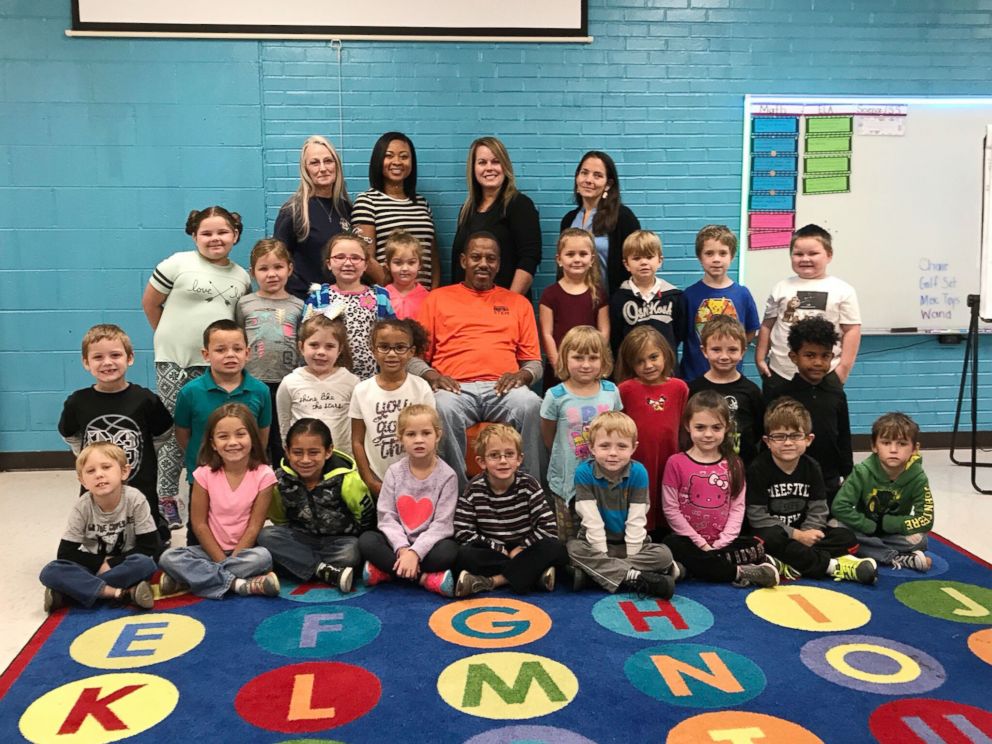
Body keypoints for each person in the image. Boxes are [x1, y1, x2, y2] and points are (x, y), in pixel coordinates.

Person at [142, 206, 251, 528]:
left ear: (235, 235)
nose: (214, 238)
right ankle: (166, 498)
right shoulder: (178, 263)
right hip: (175, 362)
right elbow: (150, 303)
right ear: (194, 235)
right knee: (178, 432)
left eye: (222, 232)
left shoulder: (241, 277)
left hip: (215, 366)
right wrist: (170, 342)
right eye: (206, 233)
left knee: (212, 430)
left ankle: (208, 492)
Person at [413, 231, 545, 492]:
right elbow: (414, 360)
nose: (483, 263)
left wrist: (522, 376)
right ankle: (458, 495)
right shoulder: (437, 299)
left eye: (490, 258)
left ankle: (531, 492)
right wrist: (434, 377)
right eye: (476, 257)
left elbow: (534, 363)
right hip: (455, 388)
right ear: (463, 261)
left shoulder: (518, 303)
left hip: (503, 388)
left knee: (531, 404)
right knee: (440, 407)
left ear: (498, 264)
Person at [58, 324, 173, 543]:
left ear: (130, 358)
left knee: (149, 548)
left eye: (116, 355)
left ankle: (157, 525)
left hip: (140, 483)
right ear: (86, 363)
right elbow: (71, 435)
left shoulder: (145, 399)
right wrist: (86, 457)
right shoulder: (78, 402)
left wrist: (145, 452)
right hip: (99, 490)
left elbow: (163, 432)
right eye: (98, 357)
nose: (107, 362)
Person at [746, 398, 877, 584]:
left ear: (808, 439)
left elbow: (819, 508)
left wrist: (808, 532)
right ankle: (832, 566)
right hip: (779, 535)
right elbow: (757, 516)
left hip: (805, 534)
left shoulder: (812, 467)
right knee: (766, 539)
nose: (788, 443)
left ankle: (790, 563)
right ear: (767, 441)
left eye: (795, 436)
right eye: (779, 436)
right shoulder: (758, 468)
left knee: (845, 537)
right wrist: (796, 535)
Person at [158, 404, 281, 599]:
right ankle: (238, 584)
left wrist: (233, 558)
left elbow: (254, 526)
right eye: (223, 436)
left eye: (240, 434)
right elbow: (199, 525)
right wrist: (220, 559)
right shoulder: (204, 474)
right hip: (209, 550)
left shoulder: (264, 475)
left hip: (245, 553)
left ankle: (187, 580)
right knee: (168, 557)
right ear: (213, 443)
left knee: (263, 557)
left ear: (252, 438)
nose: (233, 442)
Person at [661, 391, 779, 587]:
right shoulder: (676, 463)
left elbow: (737, 507)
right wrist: (700, 543)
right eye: (700, 427)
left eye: (716, 428)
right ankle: (739, 572)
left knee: (755, 545)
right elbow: (671, 509)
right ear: (687, 426)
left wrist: (721, 543)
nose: (708, 434)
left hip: (724, 543)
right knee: (670, 544)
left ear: (726, 428)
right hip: (689, 542)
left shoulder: (734, 464)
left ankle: (689, 569)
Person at [566, 412, 679, 597]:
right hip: (596, 544)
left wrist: (627, 556)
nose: (613, 453)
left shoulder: (638, 472)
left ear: (633, 448)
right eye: (604, 446)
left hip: (631, 544)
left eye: (621, 446)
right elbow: (591, 520)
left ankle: (595, 576)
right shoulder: (584, 473)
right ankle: (638, 577)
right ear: (592, 448)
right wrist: (602, 553)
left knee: (664, 554)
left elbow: (637, 518)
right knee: (572, 549)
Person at [39, 443, 159, 612]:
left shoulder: (135, 499)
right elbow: (65, 553)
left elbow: (149, 546)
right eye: (90, 471)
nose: (99, 475)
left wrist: (111, 563)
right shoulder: (83, 506)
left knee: (146, 564)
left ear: (124, 472)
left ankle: (71, 593)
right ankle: (120, 593)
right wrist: (99, 563)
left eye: (106, 467)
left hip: (124, 562)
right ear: (83, 481)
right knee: (50, 571)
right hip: (92, 565)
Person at [259, 418, 374, 593]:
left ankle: (300, 566)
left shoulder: (347, 479)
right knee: (266, 535)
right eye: (297, 452)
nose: (305, 460)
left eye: (313, 452)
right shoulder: (279, 481)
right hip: (301, 539)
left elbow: (365, 516)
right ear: (287, 451)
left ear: (328, 451)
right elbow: (279, 518)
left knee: (352, 552)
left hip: (339, 542)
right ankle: (324, 570)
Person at [453, 424, 567, 596]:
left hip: (526, 547)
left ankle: (493, 581)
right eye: (494, 456)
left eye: (509, 454)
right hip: (493, 550)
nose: (503, 461)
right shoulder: (473, 489)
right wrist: (497, 548)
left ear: (519, 459)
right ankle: (534, 574)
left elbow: (549, 527)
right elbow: (462, 531)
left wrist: (522, 548)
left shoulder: (529, 485)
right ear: (481, 462)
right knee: (463, 555)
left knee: (556, 548)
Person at [358, 405, 460, 596]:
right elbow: (387, 517)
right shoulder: (394, 473)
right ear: (400, 438)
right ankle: (424, 578)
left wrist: (416, 552)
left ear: (437, 435)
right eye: (411, 434)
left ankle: (387, 571)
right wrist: (404, 550)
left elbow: (442, 525)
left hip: (430, 547)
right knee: (367, 541)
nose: (419, 440)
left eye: (426, 433)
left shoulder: (448, 476)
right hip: (397, 544)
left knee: (450, 551)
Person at [754, 223, 861, 398]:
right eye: (798, 254)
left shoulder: (843, 290)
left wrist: (843, 369)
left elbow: (852, 330)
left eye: (813, 253)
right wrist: (759, 359)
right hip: (781, 372)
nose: (805, 259)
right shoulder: (781, 287)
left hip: (824, 375)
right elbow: (767, 325)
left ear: (829, 255)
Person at [173, 320, 272, 504]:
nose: (230, 355)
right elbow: (183, 435)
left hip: (244, 475)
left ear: (247, 353)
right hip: (203, 476)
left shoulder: (261, 391)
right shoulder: (190, 392)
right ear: (206, 354)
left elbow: (262, 435)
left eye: (237, 349)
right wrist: (206, 455)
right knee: (199, 529)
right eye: (220, 350)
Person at [540, 326, 621, 541]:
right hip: (567, 476)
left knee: (600, 530)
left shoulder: (611, 392)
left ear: (603, 360)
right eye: (578, 357)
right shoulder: (555, 395)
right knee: (569, 534)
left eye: (593, 358)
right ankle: (572, 567)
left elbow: (619, 429)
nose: (586, 364)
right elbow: (549, 436)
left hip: (604, 476)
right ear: (565, 358)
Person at [832, 412, 935, 571]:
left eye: (902, 444)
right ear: (874, 446)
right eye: (886, 443)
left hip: (892, 533)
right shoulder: (862, 472)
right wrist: (868, 525)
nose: (893, 450)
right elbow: (839, 507)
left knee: (920, 541)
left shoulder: (918, 477)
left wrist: (887, 524)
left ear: (915, 448)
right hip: (863, 529)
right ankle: (896, 557)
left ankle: (867, 550)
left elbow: (926, 518)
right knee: (833, 527)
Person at [236, 238, 305, 469]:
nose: (272, 274)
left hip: (285, 382)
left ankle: (281, 485)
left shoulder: (298, 305)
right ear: (253, 272)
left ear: (290, 268)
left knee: (280, 437)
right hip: (252, 382)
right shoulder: (244, 304)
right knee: (254, 437)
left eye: (278, 267)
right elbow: (238, 339)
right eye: (263, 268)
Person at [768, 316, 852, 504]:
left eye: (825, 356)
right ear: (794, 357)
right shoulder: (780, 395)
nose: (818, 362)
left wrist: (848, 474)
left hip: (829, 478)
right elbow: (768, 437)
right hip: (791, 479)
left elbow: (844, 437)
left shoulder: (836, 394)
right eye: (810, 355)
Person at [615, 326, 688, 535]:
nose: (648, 365)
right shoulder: (625, 389)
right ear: (630, 363)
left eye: (653, 357)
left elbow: (683, 428)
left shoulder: (679, 388)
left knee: (668, 509)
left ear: (665, 353)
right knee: (640, 510)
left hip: (669, 461)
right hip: (638, 462)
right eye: (639, 361)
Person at [349, 318, 435, 496]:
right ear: (373, 350)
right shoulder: (361, 391)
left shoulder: (421, 388)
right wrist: (369, 480)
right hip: (376, 481)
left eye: (400, 347)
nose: (392, 354)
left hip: (416, 480)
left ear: (411, 352)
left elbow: (432, 436)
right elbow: (357, 441)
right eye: (384, 346)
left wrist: (422, 476)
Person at [451, 137, 541, 295]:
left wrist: (510, 304)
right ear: (473, 168)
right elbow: (458, 264)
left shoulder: (519, 205)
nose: (489, 168)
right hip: (468, 307)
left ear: (505, 165)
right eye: (482, 162)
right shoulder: (466, 210)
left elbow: (529, 259)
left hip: (504, 307)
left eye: (495, 161)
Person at [352, 132, 439, 289]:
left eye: (404, 156)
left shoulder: (422, 203)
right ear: (379, 160)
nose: (397, 162)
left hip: (424, 299)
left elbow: (432, 255)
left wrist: (433, 292)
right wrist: (396, 292)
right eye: (389, 156)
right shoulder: (367, 201)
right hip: (389, 301)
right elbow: (365, 257)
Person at [303, 233, 395, 380]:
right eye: (340, 257)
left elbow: (392, 335)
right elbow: (306, 336)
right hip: (329, 378)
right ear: (329, 263)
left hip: (370, 379)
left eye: (355, 258)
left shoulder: (380, 297)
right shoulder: (319, 297)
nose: (348, 263)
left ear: (365, 264)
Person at [274, 135, 353, 299]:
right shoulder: (293, 211)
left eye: (328, 161)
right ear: (305, 169)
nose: (323, 168)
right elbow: (277, 261)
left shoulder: (347, 209)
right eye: (315, 163)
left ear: (337, 165)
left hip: (343, 300)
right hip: (304, 302)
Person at [680, 225, 760, 382]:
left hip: (731, 377)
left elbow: (750, 331)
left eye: (722, 253)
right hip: (695, 376)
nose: (716, 259)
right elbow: (683, 334)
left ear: (732, 256)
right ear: (699, 257)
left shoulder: (742, 294)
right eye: (709, 253)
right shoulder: (689, 295)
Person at [561, 150, 642, 296]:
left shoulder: (623, 218)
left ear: (608, 184)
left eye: (597, 175)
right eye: (584, 173)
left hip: (614, 305)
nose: (588, 180)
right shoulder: (569, 220)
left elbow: (637, 263)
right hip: (575, 302)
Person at [277, 314, 358, 459]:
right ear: (301, 347)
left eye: (330, 346)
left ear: (339, 350)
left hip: (341, 459)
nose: (321, 352)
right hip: (304, 459)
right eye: (314, 345)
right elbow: (284, 425)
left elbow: (357, 428)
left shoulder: (352, 382)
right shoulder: (290, 382)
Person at [688, 315, 764, 466]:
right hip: (702, 466)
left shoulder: (751, 391)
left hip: (743, 467)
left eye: (732, 350)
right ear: (704, 351)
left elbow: (758, 430)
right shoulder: (693, 389)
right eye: (716, 349)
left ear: (742, 352)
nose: (724, 356)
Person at [538, 228, 609, 391]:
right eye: (570, 254)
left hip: (589, 369)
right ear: (559, 259)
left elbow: (604, 332)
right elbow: (546, 334)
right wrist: (558, 365)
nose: (577, 259)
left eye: (583, 254)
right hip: (559, 372)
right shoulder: (550, 295)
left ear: (592, 259)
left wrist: (595, 362)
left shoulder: (598, 294)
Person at [609, 230, 684, 358]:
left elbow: (679, 333)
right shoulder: (618, 299)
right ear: (626, 264)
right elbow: (616, 338)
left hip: (667, 370)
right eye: (636, 258)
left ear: (660, 260)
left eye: (649, 257)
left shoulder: (674, 296)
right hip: (631, 368)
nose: (644, 262)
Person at [383, 230, 431, 320]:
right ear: (387, 265)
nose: (405, 268)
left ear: (419, 264)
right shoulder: (381, 296)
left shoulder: (428, 298)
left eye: (411, 262)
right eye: (398, 263)